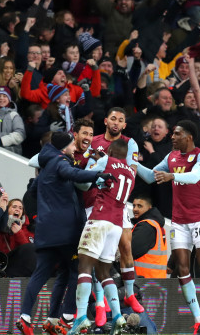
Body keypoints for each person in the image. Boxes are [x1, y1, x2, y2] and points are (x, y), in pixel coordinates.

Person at [17, 132, 113, 335]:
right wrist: (97, 175)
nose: (73, 147)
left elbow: (31, 193)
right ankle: (68, 317)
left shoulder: (44, 167)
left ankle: (29, 316)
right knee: (77, 270)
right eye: (71, 144)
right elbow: (74, 174)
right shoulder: (60, 161)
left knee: (45, 273)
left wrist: (36, 216)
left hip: (46, 232)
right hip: (66, 231)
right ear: (64, 148)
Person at [137, 120, 200, 335]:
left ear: (188, 136)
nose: (172, 137)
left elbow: (195, 176)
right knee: (182, 270)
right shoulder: (171, 157)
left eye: (176, 134)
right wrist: (131, 164)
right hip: (179, 220)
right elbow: (151, 176)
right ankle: (198, 319)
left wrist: (172, 176)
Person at [85, 107, 144, 319]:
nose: (116, 122)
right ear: (105, 121)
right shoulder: (94, 141)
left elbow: (132, 171)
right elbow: (88, 168)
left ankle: (129, 293)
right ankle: (100, 301)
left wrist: (107, 166)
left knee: (126, 245)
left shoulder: (130, 143)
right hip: (94, 202)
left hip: (118, 201)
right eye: (113, 119)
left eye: (120, 120)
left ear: (125, 125)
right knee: (96, 252)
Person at [68, 139, 131, 335]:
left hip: (99, 219)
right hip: (117, 224)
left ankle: (79, 317)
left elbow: (85, 184)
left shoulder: (106, 162)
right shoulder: (130, 171)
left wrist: (91, 169)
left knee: (85, 268)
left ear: (110, 151)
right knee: (104, 273)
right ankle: (119, 316)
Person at [131, 193, 168, 278]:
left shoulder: (146, 226)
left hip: (143, 281)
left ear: (149, 208)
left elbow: (129, 251)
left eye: (139, 206)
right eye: (134, 206)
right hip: (155, 280)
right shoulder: (156, 225)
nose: (135, 209)